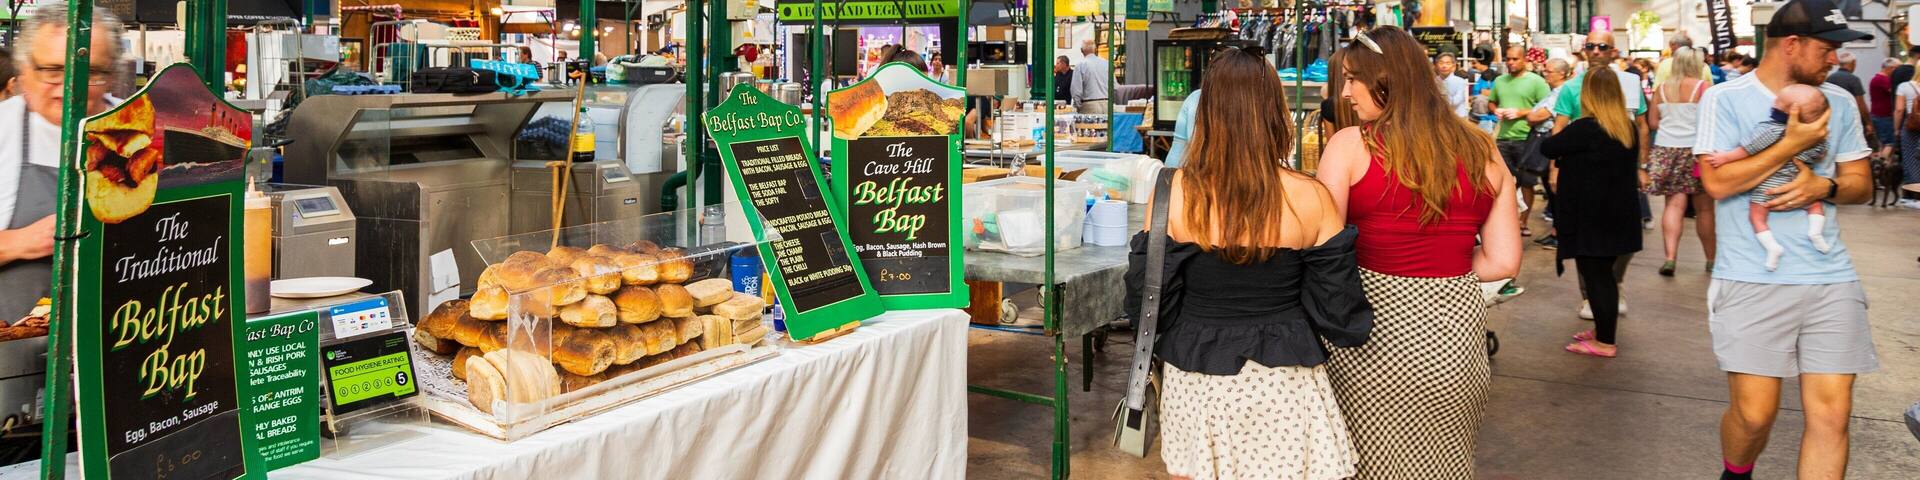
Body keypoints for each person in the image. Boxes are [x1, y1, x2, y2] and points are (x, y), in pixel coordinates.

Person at [1125, 47, 1373, 480]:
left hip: (1196, 376)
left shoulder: (1172, 193)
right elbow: (1339, 309)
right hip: (1286, 378)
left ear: (1206, 111)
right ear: (1275, 112)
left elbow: (1148, 302)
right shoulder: (1311, 196)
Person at [1316, 26, 1522, 479]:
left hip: (1371, 342)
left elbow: (1323, 250)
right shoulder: (1481, 145)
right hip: (1456, 345)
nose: (1347, 93)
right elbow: (1504, 262)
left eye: (1353, 79)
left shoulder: (1350, 146)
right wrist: (1441, 265)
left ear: (1387, 77)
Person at [1692, 1, 1878, 477]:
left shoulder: (1838, 102)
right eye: (1827, 47)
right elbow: (1716, 184)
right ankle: (1737, 473)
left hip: (1830, 276)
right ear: (1791, 45)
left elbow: (1860, 183)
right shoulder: (1725, 98)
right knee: (1755, 415)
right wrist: (1792, 145)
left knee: (1833, 416)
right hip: (1751, 276)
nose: (1834, 59)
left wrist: (1825, 187)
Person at [0, 5, 124, 320]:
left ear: (110, 76)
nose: (70, 84)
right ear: (24, 72)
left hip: (117, 346)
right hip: (13, 355)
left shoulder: (138, 131)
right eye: (53, 71)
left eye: (91, 72)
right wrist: (20, 243)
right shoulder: (4, 129)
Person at [1542, 67, 1645, 358]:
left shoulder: (1585, 128)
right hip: (1620, 215)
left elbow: (1548, 147)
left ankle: (1606, 342)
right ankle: (1602, 330)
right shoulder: (1626, 128)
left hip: (1592, 217)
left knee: (1597, 278)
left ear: (1588, 95)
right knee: (1605, 276)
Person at [1553, 29, 1646, 318]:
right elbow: (1559, 128)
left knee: (1622, 236)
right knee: (1587, 239)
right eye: (1590, 45)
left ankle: (1613, 284)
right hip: (1583, 176)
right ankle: (1589, 295)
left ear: (1613, 51)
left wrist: (1641, 166)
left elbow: (1641, 125)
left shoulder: (1629, 83)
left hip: (1619, 173)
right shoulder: (1571, 87)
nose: (1595, 51)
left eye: (1602, 46)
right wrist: (1555, 170)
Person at [1704, 85, 1834, 271]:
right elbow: (1821, 154)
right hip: (1799, 183)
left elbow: (1748, 149)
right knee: (1815, 205)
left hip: (1769, 186)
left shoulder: (1771, 130)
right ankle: (1816, 232)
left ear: (1791, 112)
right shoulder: (1818, 140)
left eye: (1779, 101)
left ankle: (1772, 247)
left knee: (1757, 216)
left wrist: (1724, 157)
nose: (1773, 102)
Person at [1645, 46, 1718, 276]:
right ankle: (1711, 259)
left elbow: (1654, 122)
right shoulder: (1703, 88)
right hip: (1697, 151)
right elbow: (1712, 120)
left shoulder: (1662, 89)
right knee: (1704, 209)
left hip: (1667, 150)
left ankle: (1670, 258)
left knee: (1673, 205)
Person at [1489, 45, 1553, 235]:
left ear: (1524, 59)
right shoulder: (1500, 81)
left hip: (1527, 138)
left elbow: (1548, 107)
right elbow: (1492, 101)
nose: (1510, 62)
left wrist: (1520, 112)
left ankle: (1523, 221)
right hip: (1502, 138)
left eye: (1515, 59)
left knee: (1527, 182)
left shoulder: (1537, 82)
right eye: (1508, 59)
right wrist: (1495, 110)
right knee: (1503, 182)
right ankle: (1506, 220)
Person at [1530, 58, 1576, 251]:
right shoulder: (1554, 92)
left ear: (1561, 74)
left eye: (1549, 71)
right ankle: (1559, 232)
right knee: (1554, 192)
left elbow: (1539, 116)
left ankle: (1561, 234)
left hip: (1556, 144)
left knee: (1558, 191)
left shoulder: (1562, 93)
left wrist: (1531, 116)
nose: (1545, 74)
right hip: (1551, 142)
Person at [1826, 51, 1872, 143]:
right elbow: (1860, 104)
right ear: (1853, 62)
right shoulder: (1854, 80)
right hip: (1851, 123)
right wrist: (1868, 123)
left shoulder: (1830, 78)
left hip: (1833, 121)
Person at [1868, 58, 1899, 150]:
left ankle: (1882, 161)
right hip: (1884, 116)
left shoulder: (1875, 78)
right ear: (1891, 68)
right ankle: (1883, 162)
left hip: (1877, 114)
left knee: (1882, 142)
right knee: (1889, 143)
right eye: (1897, 69)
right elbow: (1895, 93)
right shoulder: (1883, 80)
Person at [1073, 39, 1111, 114]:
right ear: (1095, 49)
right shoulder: (1107, 64)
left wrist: (1078, 105)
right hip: (1107, 104)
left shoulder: (1080, 65)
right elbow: (1114, 86)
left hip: (1089, 105)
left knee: (1089, 126)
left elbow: (1076, 90)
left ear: (1081, 50)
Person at [1436, 53, 1471, 117]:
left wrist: (1440, 99)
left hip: (1457, 117)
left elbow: (1456, 101)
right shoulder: (1433, 81)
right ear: (1437, 65)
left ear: (1454, 66)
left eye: (1448, 63)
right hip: (1438, 116)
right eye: (1441, 63)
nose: (1444, 66)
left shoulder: (1460, 81)